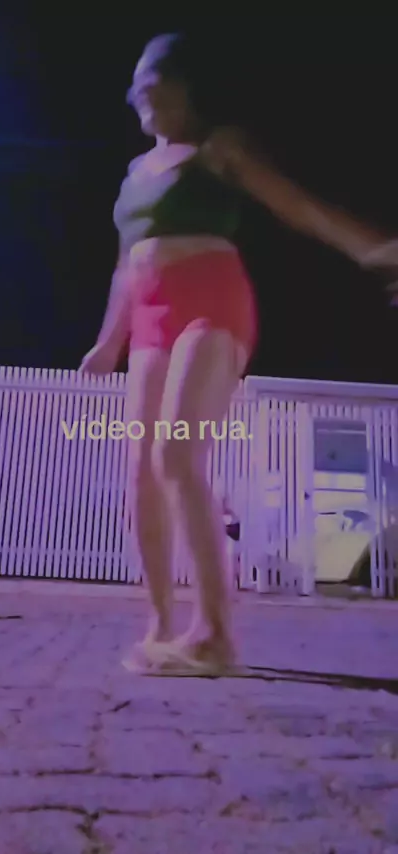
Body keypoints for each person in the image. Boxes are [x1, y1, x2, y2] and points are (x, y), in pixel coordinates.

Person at [80, 33, 398, 676]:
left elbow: (296, 206)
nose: (138, 94)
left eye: (151, 81)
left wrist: (371, 249)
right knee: (140, 474)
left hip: (211, 305)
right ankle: (162, 625)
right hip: (149, 319)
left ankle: (215, 635)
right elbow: (126, 264)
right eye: (135, 86)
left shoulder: (219, 147)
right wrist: (110, 340)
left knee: (176, 456)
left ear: (184, 85)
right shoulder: (135, 173)